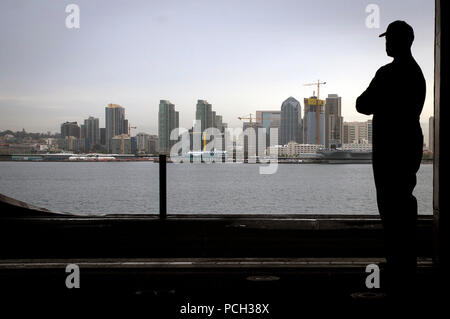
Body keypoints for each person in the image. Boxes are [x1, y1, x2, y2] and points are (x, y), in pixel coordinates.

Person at [356, 20, 425, 298]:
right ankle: (405, 266)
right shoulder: (417, 73)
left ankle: (397, 268)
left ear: (400, 41)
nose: (386, 44)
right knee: (404, 202)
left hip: (388, 149)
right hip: (409, 144)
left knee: (389, 204)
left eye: (389, 39)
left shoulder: (387, 73)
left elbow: (362, 104)